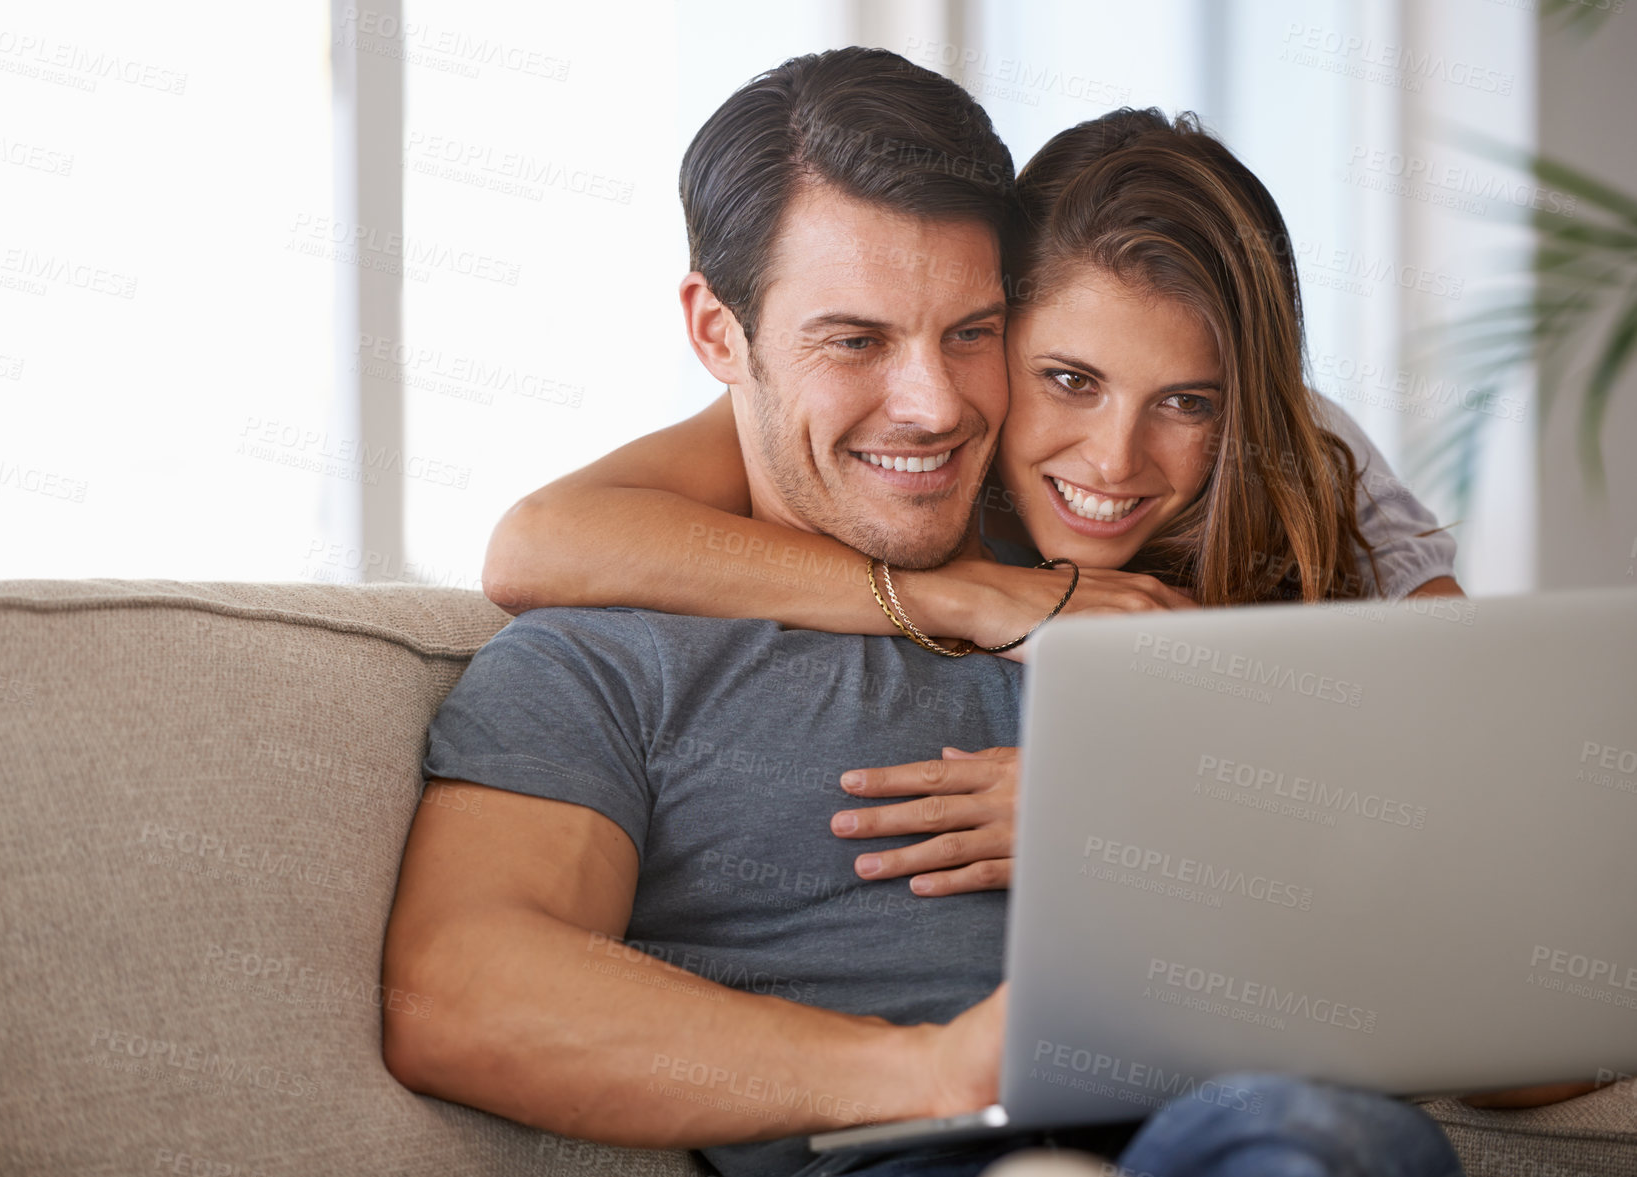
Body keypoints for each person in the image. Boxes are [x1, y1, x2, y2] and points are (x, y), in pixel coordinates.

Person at [381, 49, 1473, 1177]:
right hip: (933, 1156)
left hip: (1242, 1132)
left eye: (969, 332)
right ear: (719, 334)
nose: (933, 405)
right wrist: (927, 1070)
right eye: (855, 340)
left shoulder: (1149, 581)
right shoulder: (604, 652)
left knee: (1336, 1136)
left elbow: (1524, 1017)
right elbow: (457, 988)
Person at [478, 105, 1463, 899]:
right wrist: (969, 594)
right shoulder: (924, 444)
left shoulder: (1297, 463)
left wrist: (1163, 799)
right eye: (1069, 379)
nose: (1115, 461)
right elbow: (539, 540)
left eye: (1185, 401)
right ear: (998, 332)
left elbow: (1484, 810)